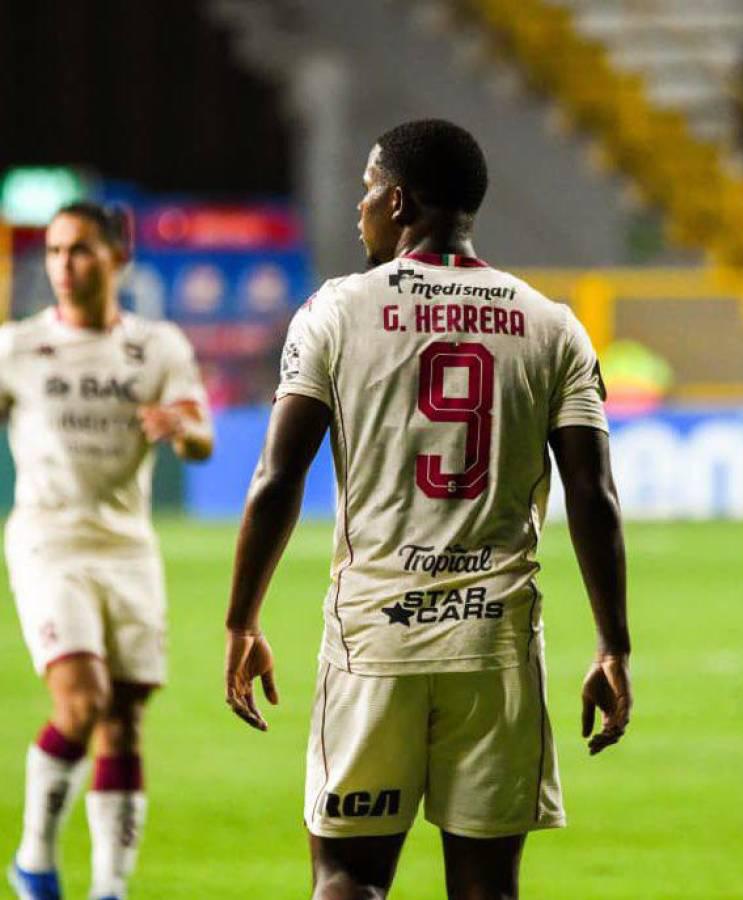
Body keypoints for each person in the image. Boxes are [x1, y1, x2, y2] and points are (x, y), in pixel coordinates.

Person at [224, 119, 632, 899]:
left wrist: (242, 619)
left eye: (368, 189)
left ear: (400, 202)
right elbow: (593, 495)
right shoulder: (551, 324)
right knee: (487, 889)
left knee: (349, 875)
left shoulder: (336, 313)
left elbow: (278, 477)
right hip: (497, 645)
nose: (360, 208)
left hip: (376, 639)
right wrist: (614, 644)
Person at [3, 202, 213, 900]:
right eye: (57, 252)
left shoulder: (158, 346)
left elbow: (202, 438)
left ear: (118, 258)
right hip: (48, 539)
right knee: (82, 699)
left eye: (82, 250)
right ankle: (34, 859)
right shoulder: (18, 347)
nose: (66, 265)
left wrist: (179, 426)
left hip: (128, 547)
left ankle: (109, 890)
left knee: (123, 720)